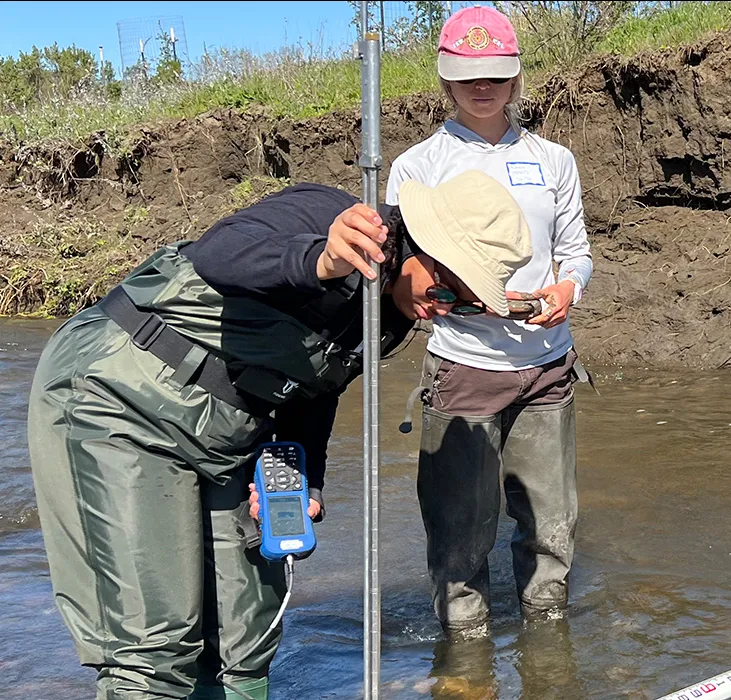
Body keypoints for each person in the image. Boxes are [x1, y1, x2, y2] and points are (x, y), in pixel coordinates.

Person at [26, 169, 533, 699]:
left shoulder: (396, 309)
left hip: (228, 432)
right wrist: (320, 261)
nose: (441, 310)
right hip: (120, 399)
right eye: (445, 291)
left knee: (247, 633)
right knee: (156, 643)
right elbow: (218, 253)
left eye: (464, 304)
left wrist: (305, 475)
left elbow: (317, 386)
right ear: (424, 250)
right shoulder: (327, 216)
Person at [384, 5, 594, 641]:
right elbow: (397, 270)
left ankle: (549, 646)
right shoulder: (417, 166)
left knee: (550, 530)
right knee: (459, 535)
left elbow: (576, 250)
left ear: (516, 78)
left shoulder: (554, 160)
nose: (484, 87)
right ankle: (466, 657)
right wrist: (411, 288)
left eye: (497, 75)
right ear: (446, 79)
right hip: (463, 366)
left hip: (547, 364)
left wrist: (567, 288)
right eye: (468, 75)